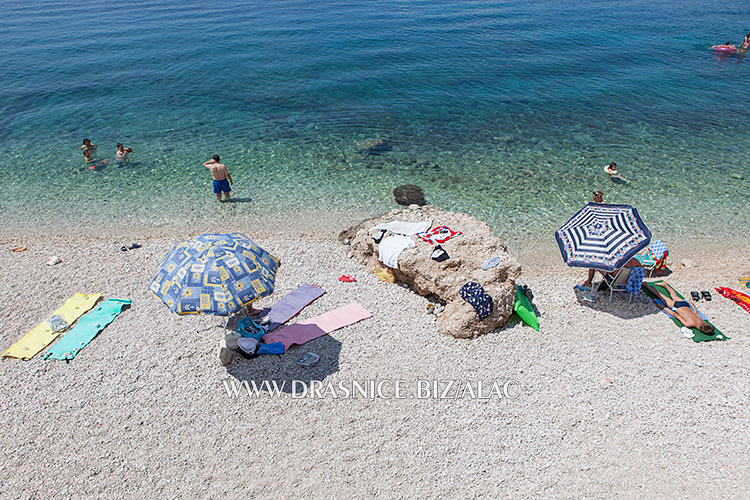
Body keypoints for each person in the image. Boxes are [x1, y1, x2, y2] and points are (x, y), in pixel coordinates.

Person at [642, 282, 715, 335]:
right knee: (660, 296)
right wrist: (663, 308)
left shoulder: (700, 320)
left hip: (685, 305)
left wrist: (692, 305)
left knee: (673, 295)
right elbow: (675, 315)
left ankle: (665, 285)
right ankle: (646, 285)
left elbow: (695, 312)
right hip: (676, 307)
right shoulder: (689, 324)